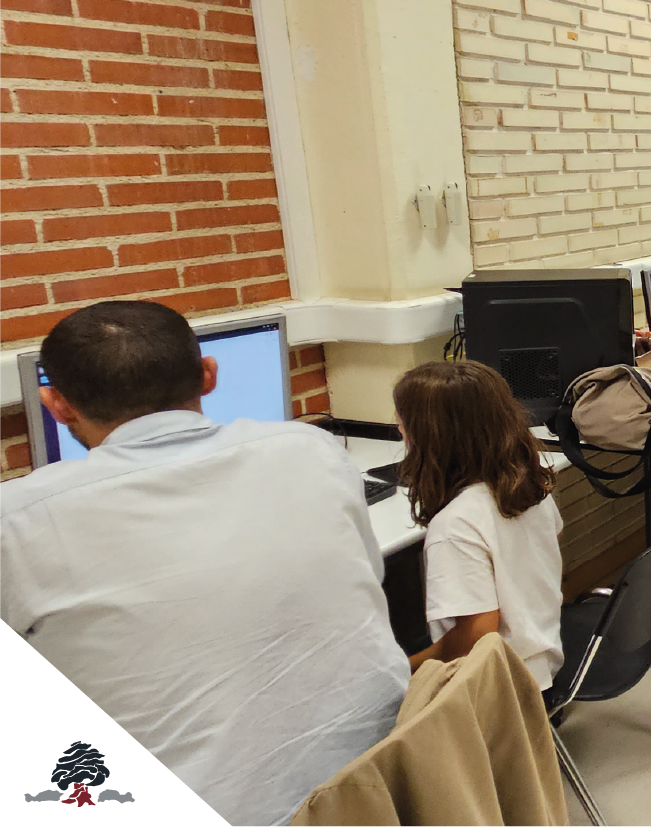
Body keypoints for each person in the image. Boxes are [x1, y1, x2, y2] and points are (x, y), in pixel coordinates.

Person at [0, 301, 407, 826]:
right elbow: (367, 577)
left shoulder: (17, 521)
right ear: (208, 375)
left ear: (56, 404)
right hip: (384, 782)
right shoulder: (311, 448)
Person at [393, 361, 565, 689]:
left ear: (427, 436)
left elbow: (477, 635)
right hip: (541, 661)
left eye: (403, 423)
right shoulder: (531, 486)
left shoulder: (454, 526)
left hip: (501, 690)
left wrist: (403, 671)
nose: (399, 429)